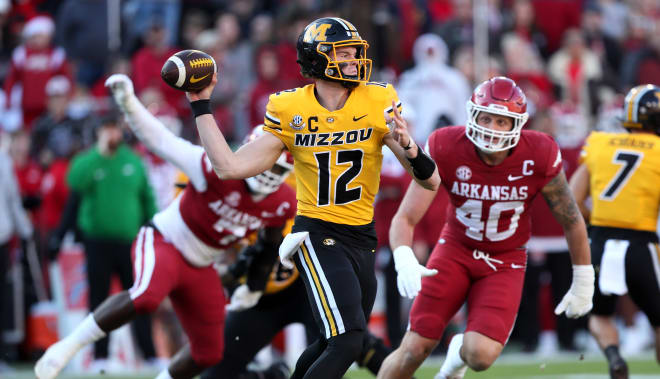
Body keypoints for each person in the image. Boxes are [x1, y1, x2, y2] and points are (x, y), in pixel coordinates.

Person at [188, 17, 440, 379]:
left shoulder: (378, 100)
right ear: (318, 58)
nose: (354, 58)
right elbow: (228, 167)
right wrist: (201, 106)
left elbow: (429, 179)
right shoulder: (291, 108)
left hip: (363, 235)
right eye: (344, 51)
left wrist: (409, 145)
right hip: (316, 232)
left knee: (331, 341)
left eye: (355, 51)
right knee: (349, 339)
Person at [34, 74, 297, 379]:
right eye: (265, 161)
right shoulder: (213, 167)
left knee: (209, 352)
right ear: (248, 152)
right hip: (166, 241)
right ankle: (67, 347)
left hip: (202, 263)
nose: (267, 171)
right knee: (146, 295)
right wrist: (129, 102)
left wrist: (253, 288)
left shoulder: (282, 201)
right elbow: (160, 140)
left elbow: (268, 245)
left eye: (277, 168)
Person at [377, 76, 594, 379]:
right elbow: (405, 216)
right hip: (455, 250)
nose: (492, 128)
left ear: (517, 124)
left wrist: (583, 278)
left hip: (505, 260)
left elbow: (571, 219)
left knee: (480, 356)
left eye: (502, 122)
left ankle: (456, 358)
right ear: (472, 115)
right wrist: (403, 256)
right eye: (487, 118)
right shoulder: (447, 144)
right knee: (413, 349)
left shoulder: (539, 152)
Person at [569, 84, 660, 379]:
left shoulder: (599, 142)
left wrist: (598, 219)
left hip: (602, 241)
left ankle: (613, 356)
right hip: (642, 244)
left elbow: (572, 197)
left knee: (600, 315)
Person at [0, 149, 33, 372]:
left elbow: (11, 195)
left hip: (0, 236)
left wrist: (25, 230)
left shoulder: (2, 158)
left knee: (1, 298)